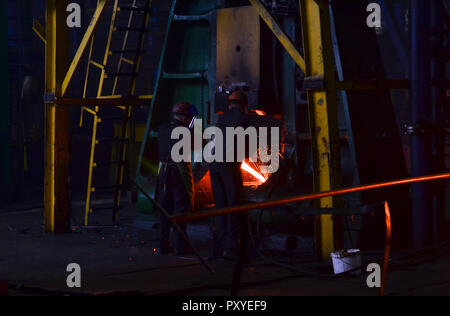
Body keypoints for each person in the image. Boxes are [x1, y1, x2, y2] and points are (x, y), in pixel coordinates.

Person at [209, 90, 250, 258]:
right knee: (234, 205)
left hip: (214, 166)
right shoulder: (243, 119)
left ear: (229, 105)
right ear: (244, 106)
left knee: (220, 206)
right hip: (228, 166)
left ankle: (218, 248)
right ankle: (231, 248)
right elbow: (246, 148)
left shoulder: (221, 118)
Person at [156, 102, 198, 255]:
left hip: (163, 173)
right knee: (181, 209)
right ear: (185, 117)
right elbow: (197, 145)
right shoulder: (185, 131)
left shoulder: (162, 129)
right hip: (178, 173)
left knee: (164, 209)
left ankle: (162, 245)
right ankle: (181, 247)